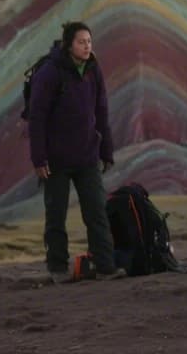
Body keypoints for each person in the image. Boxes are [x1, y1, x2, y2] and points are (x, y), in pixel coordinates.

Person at [27, 21, 125, 283]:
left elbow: (101, 112)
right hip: (55, 160)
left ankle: (105, 267)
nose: (87, 46)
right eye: (81, 42)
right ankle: (58, 268)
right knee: (56, 215)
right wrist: (39, 158)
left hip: (87, 156)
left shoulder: (93, 70)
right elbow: (36, 117)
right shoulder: (50, 72)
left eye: (90, 41)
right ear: (69, 44)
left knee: (96, 211)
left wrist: (106, 152)